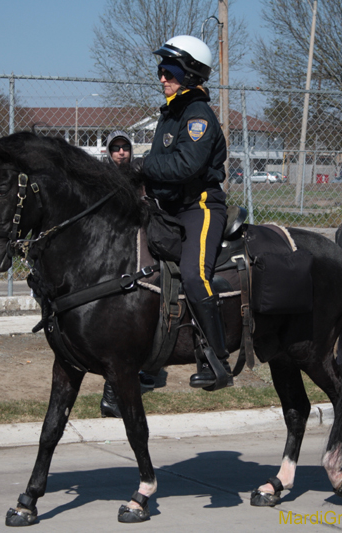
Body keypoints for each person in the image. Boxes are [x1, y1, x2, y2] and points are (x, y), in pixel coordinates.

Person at [135, 35, 231, 391]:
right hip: (168, 206)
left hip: (200, 206)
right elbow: (163, 165)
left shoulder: (197, 115)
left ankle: (216, 360)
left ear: (190, 74)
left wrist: (143, 165)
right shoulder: (171, 112)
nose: (162, 77)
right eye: (161, 70)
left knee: (193, 275)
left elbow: (186, 166)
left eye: (169, 71)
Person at [99, 130, 157, 417]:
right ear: (108, 152)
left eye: (124, 148)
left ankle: (137, 371)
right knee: (120, 321)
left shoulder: (136, 173)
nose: (121, 152)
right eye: (115, 148)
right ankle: (113, 392)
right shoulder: (102, 176)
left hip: (134, 243)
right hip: (113, 251)